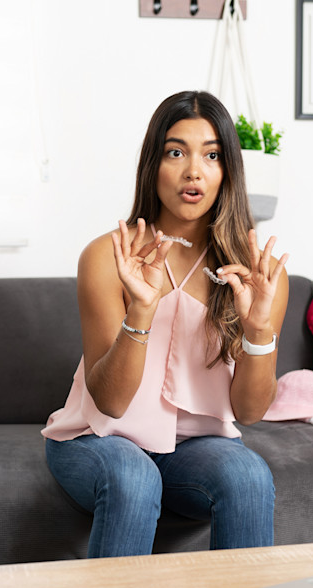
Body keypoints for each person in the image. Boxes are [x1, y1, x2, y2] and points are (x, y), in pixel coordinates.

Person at [41, 90, 289, 558]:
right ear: (153, 163)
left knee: (247, 473)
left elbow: (251, 411)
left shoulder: (255, 274)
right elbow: (110, 403)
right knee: (133, 476)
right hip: (97, 439)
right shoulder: (107, 257)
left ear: (227, 172)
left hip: (192, 450)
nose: (194, 170)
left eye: (212, 155)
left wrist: (258, 332)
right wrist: (141, 309)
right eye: (176, 152)